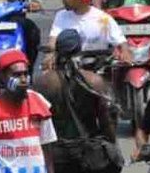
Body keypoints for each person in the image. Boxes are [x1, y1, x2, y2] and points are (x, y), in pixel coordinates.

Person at [34, 29, 118, 173]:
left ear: (57, 50)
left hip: (56, 152)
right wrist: (112, 145)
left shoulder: (42, 83)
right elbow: (106, 121)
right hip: (88, 152)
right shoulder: (94, 81)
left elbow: (36, 120)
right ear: (79, 49)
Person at [0, 49, 57, 173]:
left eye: (25, 73)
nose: (23, 79)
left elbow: (47, 145)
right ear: (2, 76)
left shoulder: (39, 102)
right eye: (17, 75)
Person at [46, 0, 131, 66]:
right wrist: (49, 55)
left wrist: (125, 52)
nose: (64, 0)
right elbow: (53, 40)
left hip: (95, 68)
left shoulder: (103, 19)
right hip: (67, 68)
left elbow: (120, 40)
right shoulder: (61, 15)